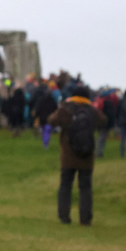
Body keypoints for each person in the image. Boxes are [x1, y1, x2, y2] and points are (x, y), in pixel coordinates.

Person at [48, 85, 107, 226]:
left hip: (68, 155)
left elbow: (51, 120)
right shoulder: (91, 111)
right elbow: (104, 121)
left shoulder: (66, 109)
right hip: (86, 155)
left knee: (65, 185)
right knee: (85, 187)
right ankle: (85, 218)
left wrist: (62, 108)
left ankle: (64, 216)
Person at [96, 89, 119, 157]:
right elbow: (110, 115)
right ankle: (99, 153)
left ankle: (98, 152)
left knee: (101, 137)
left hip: (99, 122)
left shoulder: (99, 101)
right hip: (105, 123)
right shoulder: (108, 103)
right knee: (102, 138)